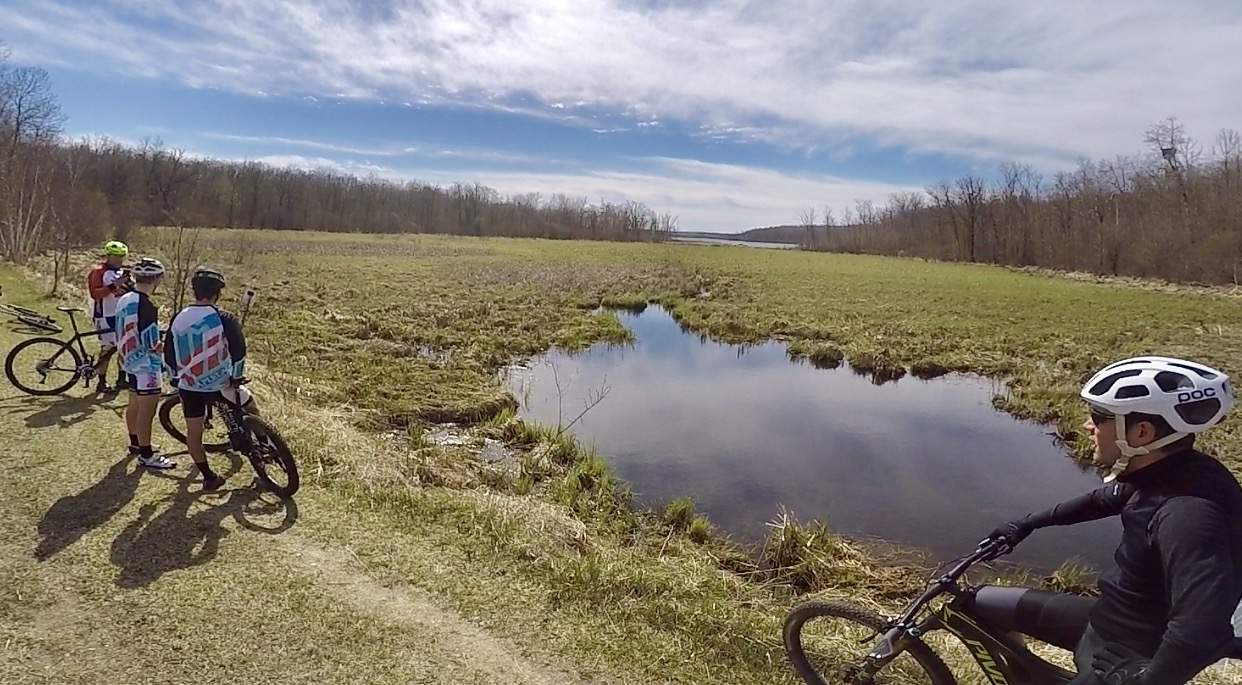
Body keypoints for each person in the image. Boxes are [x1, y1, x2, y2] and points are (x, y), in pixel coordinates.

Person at [982, 356, 1242, 685]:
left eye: (1099, 418)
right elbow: (1100, 500)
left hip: (1125, 657)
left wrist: (1143, 678)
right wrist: (1025, 524)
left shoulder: (1188, 513)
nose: (1089, 427)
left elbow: (1202, 631)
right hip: (1105, 621)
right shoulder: (1168, 470)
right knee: (979, 602)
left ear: (1141, 432)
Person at [164, 268, 256, 491]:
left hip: (189, 385)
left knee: (194, 433)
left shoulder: (178, 317)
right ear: (218, 294)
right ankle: (263, 448)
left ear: (194, 291)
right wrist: (236, 377)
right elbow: (239, 351)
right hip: (220, 384)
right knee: (251, 407)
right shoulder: (224, 318)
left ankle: (208, 476)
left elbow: (169, 352)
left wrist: (174, 378)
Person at [115, 257, 174, 470]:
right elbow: (152, 343)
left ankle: (136, 443)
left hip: (127, 359)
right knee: (147, 411)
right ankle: (146, 454)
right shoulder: (147, 305)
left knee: (133, 404)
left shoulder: (126, 298)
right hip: (145, 365)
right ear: (157, 279)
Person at [87, 240, 133, 393]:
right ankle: (101, 382)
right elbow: (95, 293)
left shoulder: (121, 272)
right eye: (116, 257)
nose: (119, 260)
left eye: (122, 257)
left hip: (121, 315)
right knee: (107, 348)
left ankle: (121, 379)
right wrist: (115, 285)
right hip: (104, 315)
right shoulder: (98, 271)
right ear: (108, 256)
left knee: (123, 347)